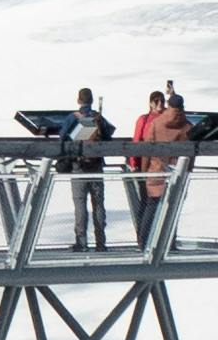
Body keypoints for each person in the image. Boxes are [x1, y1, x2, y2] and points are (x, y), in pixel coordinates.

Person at [127, 80, 190, 239]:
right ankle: (169, 242)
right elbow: (190, 151)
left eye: (162, 101)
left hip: (155, 171)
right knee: (171, 208)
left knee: (150, 206)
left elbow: (145, 148)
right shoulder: (187, 125)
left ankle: (144, 241)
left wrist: (143, 169)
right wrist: (187, 169)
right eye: (157, 101)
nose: (160, 104)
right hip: (177, 173)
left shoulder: (156, 123)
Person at [64, 85, 113, 250]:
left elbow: (63, 138)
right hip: (97, 165)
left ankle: (82, 242)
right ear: (91, 101)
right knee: (98, 204)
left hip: (79, 166)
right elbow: (108, 135)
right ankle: (101, 242)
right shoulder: (98, 117)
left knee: (80, 204)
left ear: (79, 100)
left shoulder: (73, 118)